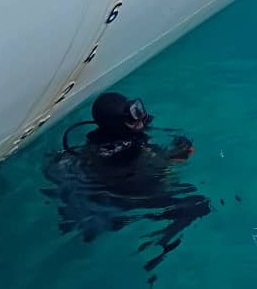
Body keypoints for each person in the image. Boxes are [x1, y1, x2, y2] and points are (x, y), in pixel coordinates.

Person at [42, 92, 211, 286]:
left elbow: (140, 132)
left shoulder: (117, 132)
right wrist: (173, 157)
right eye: (132, 118)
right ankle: (159, 245)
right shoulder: (118, 153)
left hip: (114, 188)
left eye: (138, 111)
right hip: (127, 195)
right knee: (197, 204)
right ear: (117, 124)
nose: (139, 119)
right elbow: (142, 180)